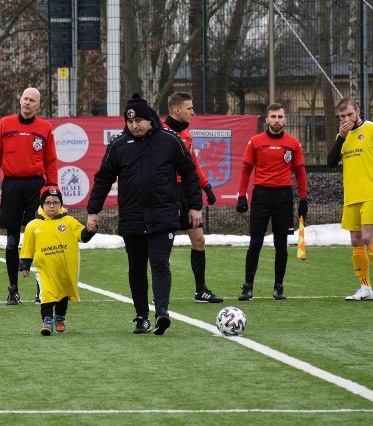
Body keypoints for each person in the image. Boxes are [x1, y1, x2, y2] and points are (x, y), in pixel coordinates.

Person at [87, 94, 203, 335]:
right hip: (132, 217)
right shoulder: (118, 145)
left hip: (164, 215)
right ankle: (141, 316)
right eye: (130, 122)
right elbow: (103, 179)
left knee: (160, 263)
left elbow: (190, 173)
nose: (134, 125)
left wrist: (195, 206)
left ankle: (162, 313)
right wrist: (93, 211)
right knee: (136, 268)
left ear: (150, 119)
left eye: (139, 120)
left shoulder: (170, 140)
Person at [0, 87, 58, 306]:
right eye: (25, 98)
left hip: (36, 187)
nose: (27, 102)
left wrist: (52, 188)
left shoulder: (45, 128)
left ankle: (40, 289)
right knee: (11, 241)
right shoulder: (5, 124)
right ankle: (13, 290)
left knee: (38, 238)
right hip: (12, 186)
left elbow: (51, 160)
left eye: (32, 100)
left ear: (38, 105)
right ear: (20, 100)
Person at [235, 103, 308, 301]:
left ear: (285, 119)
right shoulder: (255, 141)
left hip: (283, 198)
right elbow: (246, 169)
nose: (276, 120)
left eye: (280, 117)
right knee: (255, 243)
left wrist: (304, 198)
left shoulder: (293, 143)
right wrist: (242, 195)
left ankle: (278, 287)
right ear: (266, 119)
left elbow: (300, 172)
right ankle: (248, 286)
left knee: (281, 244)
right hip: (261, 197)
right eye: (273, 117)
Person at [327, 98, 373, 301]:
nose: (346, 119)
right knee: (356, 241)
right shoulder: (343, 136)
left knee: (367, 236)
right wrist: (341, 137)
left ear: (358, 111)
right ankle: (365, 288)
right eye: (342, 116)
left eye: (349, 114)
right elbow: (330, 163)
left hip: (372, 193)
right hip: (351, 196)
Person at [163, 92, 223, 304]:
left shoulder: (186, 134)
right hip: (168, 193)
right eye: (189, 108)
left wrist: (206, 186)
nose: (193, 111)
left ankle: (200, 291)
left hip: (187, 192)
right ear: (177, 110)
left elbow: (193, 165)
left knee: (199, 240)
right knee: (163, 245)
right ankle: (160, 295)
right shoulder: (162, 133)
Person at [19, 185, 97, 335]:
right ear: (42, 204)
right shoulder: (33, 225)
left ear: (61, 204)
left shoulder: (69, 221)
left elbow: (83, 236)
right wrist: (25, 265)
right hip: (45, 270)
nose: (52, 205)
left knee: (63, 293)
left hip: (65, 269)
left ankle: (60, 318)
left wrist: (90, 230)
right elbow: (27, 248)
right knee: (46, 293)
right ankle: (47, 321)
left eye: (56, 202)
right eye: (48, 202)